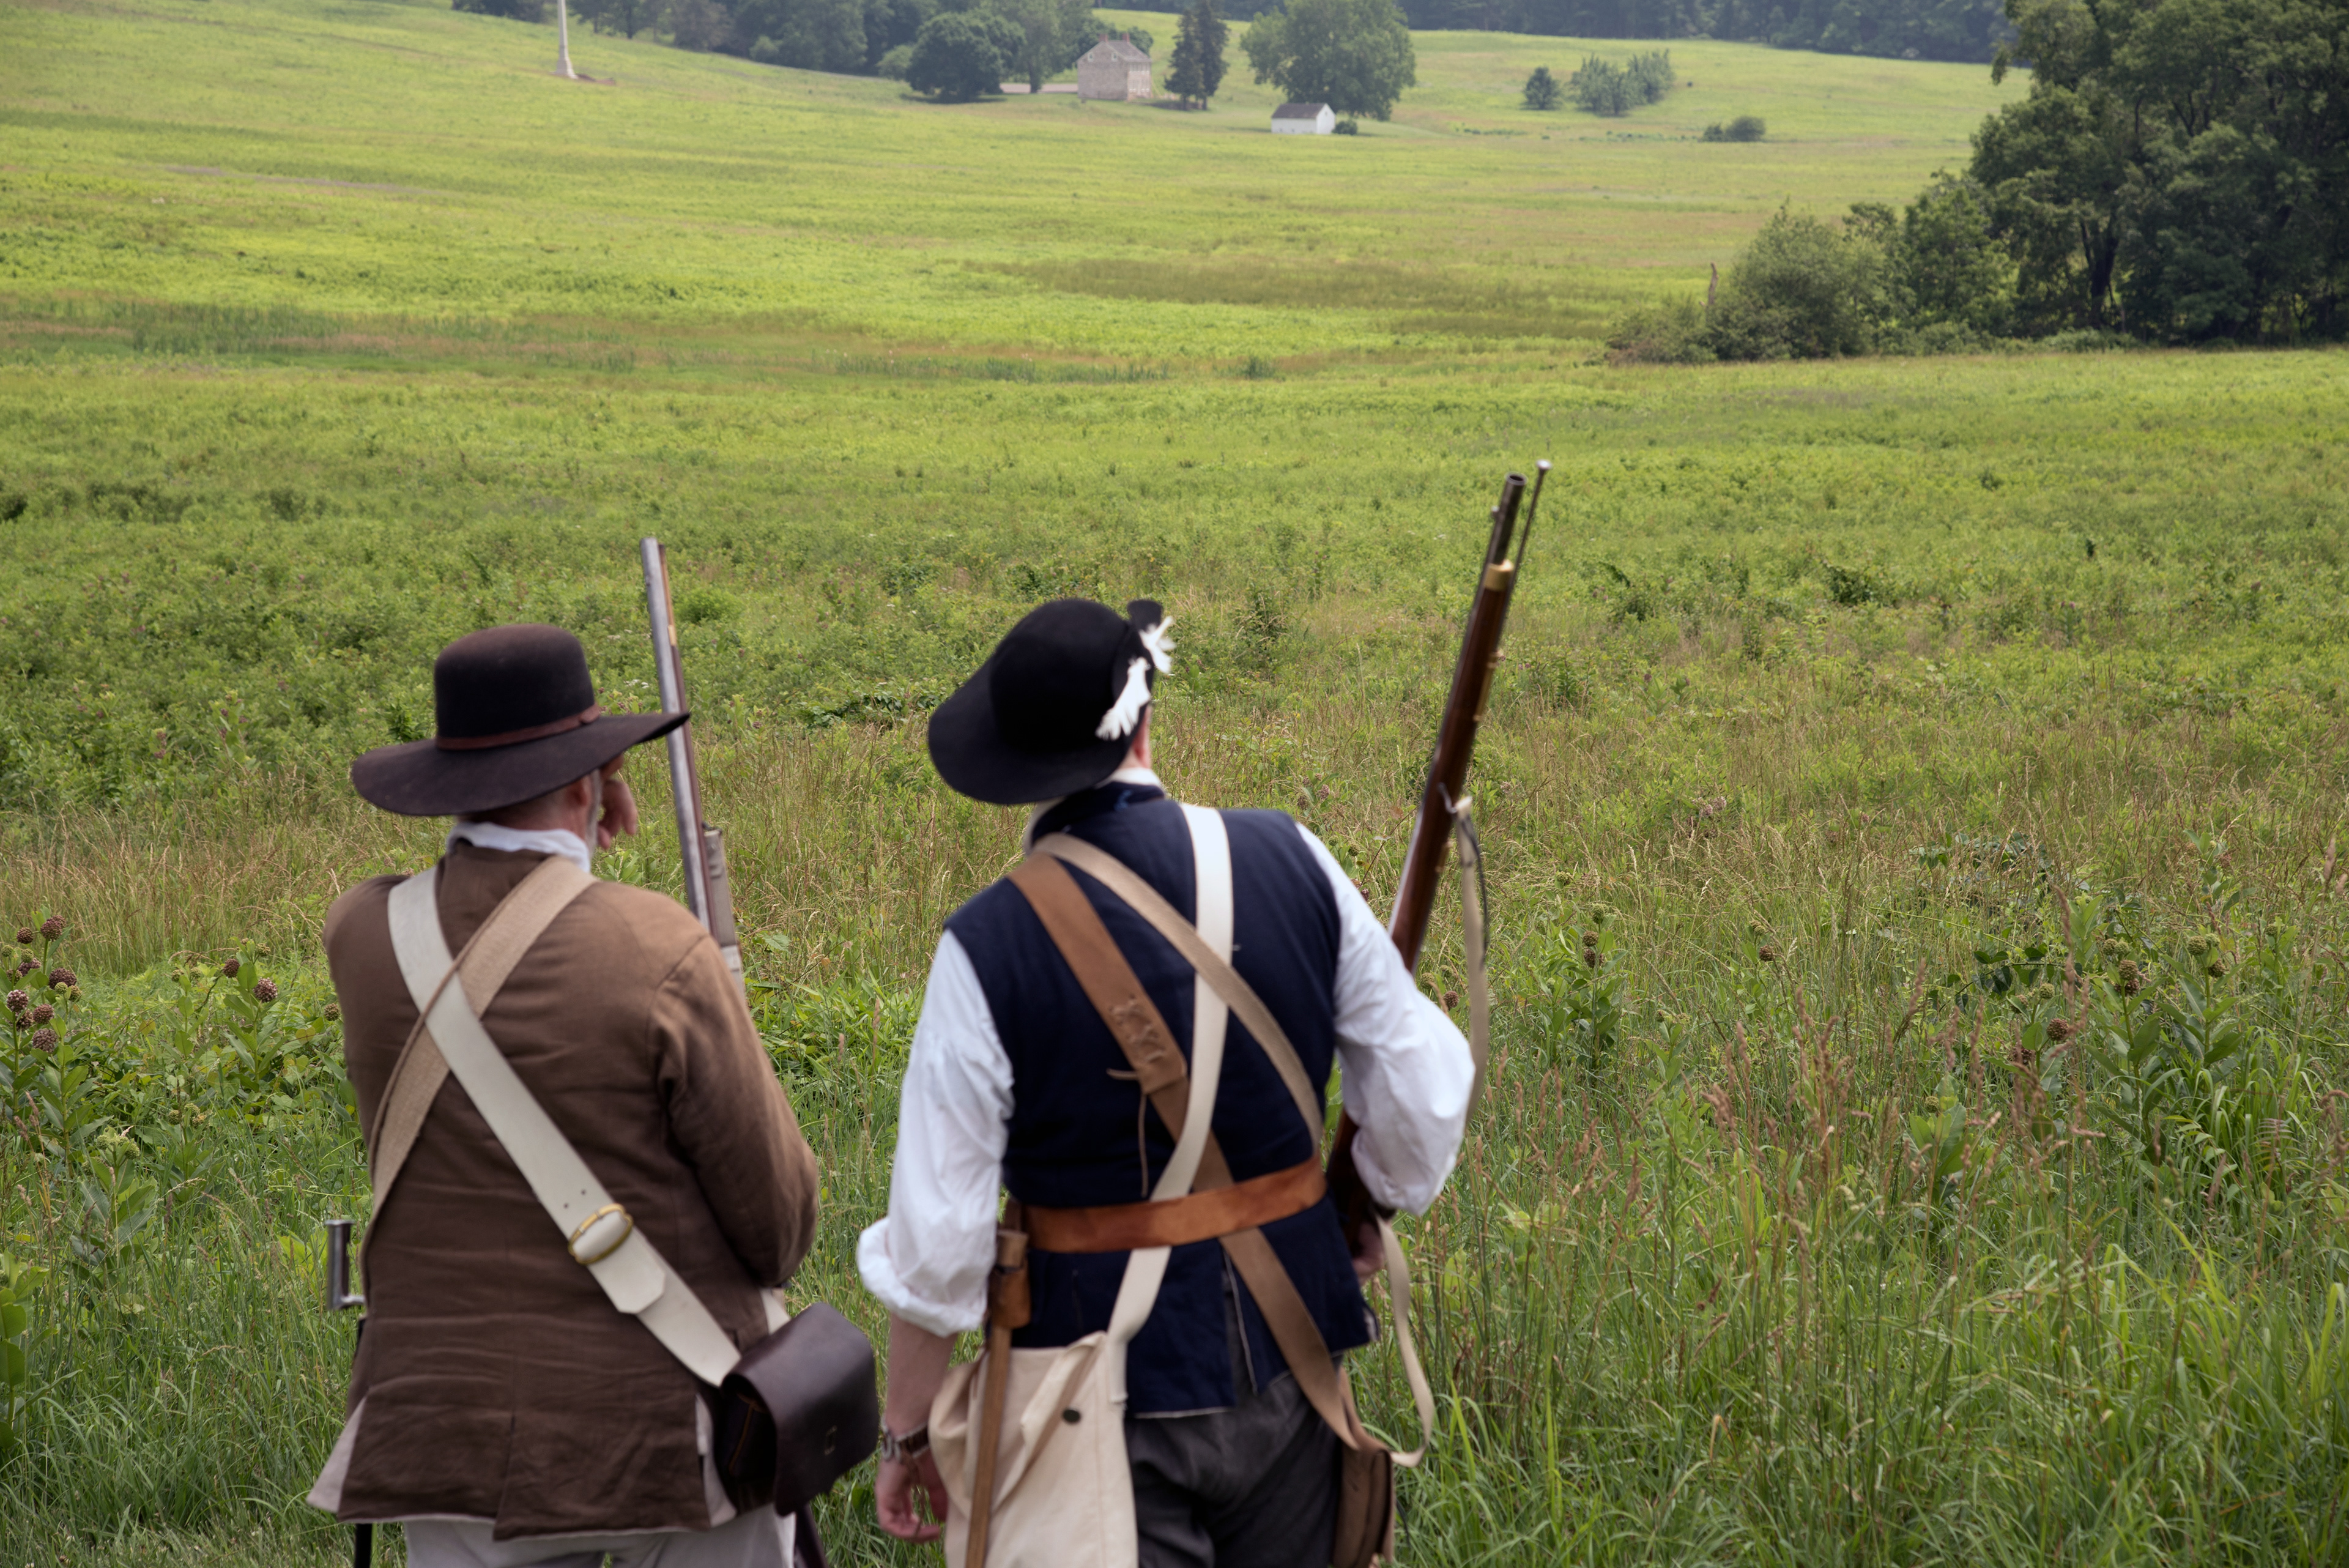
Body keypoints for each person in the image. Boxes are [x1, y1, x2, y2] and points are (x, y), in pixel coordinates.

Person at [861, 597, 1473, 1566]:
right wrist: (1364, 1204)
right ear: (1145, 721)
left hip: (1090, 1399)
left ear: (1016, 769)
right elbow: (1423, 1091)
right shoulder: (1296, 855)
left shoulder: (984, 946)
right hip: (1295, 1364)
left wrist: (906, 1434)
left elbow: (940, 1250)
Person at [308, 623, 822, 1568]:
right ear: (592, 785)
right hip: (664, 1428)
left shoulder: (363, 934)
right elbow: (780, 1228)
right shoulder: (657, 944)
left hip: (441, 1427)